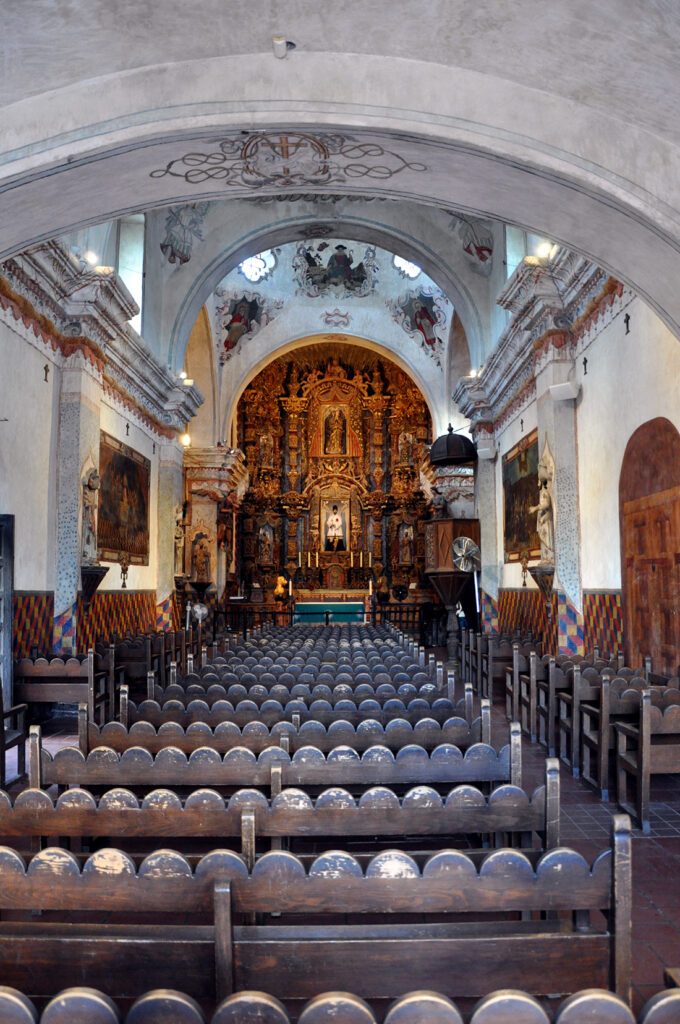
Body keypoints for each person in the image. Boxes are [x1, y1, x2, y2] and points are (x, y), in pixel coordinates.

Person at [529, 480, 554, 563]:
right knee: (543, 539)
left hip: (546, 519)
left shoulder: (544, 492)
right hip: (543, 519)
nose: (537, 483)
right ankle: (546, 558)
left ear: (542, 483)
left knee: (546, 539)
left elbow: (546, 504)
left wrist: (535, 508)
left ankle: (549, 558)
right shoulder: (542, 492)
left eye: (539, 481)